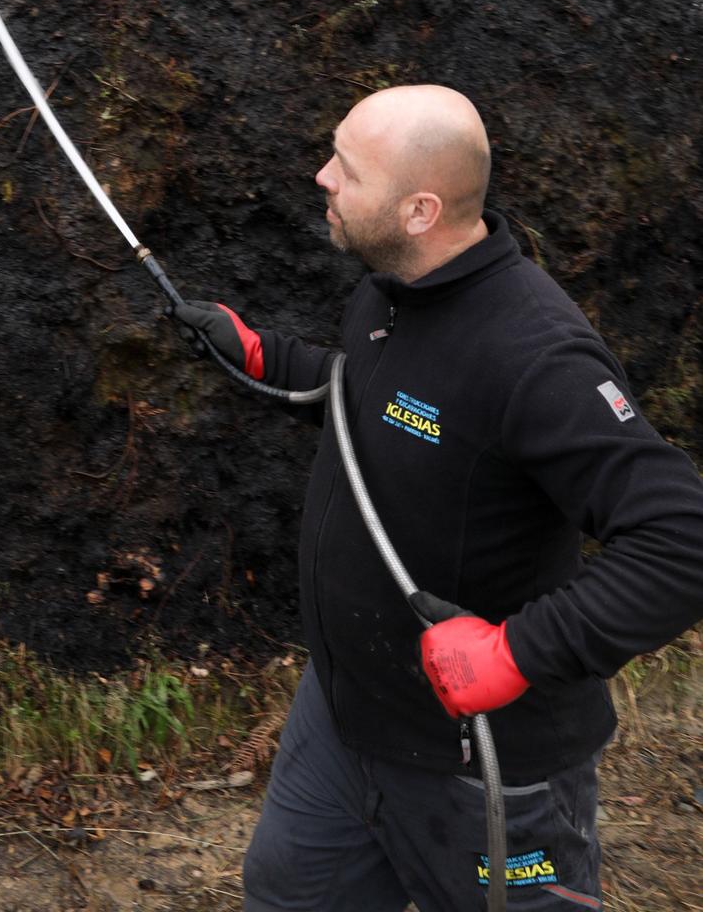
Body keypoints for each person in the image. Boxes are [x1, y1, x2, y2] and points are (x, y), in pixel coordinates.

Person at [174, 84, 703, 912]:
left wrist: (514, 653)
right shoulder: (391, 290)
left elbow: (679, 542)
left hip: (484, 767)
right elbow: (380, 403)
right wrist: (265, 359)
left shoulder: (538, 359)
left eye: (344, 169)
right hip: (344, 718)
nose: (320, 177)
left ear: (419, 209)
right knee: (288, 899)